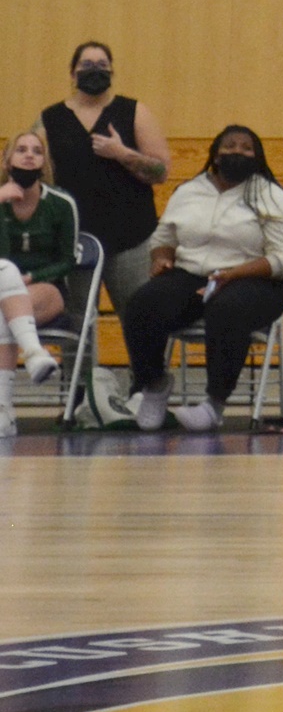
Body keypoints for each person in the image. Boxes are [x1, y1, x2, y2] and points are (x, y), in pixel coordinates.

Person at [118, 126, 283, 433]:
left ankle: (214, 404)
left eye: (246, 148)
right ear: (216, 155)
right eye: (230, 146)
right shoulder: (188, 191)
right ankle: (154, 385)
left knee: (226, 308)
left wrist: (233, 275)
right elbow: (163, 239)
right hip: (192, 274)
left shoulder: (273, 196)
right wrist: (161, 259)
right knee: (142, 304)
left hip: (256, 279)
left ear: (257, 158)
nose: (238, 152)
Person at [38, 41, 170, 307]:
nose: (94, 70)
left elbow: (161, 172)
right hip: (75, 239)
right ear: (72, 73)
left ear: (112, 72)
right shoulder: (50, 118)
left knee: (139, 317)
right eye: (87, 65)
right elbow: (33, 170)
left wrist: (122, 153)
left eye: (102, 65)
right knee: (78, 323)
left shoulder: (134, 111)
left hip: (131, 238)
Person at [0, 129, 76, 434]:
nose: (29, 155)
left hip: (46, 289)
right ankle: (33, 353)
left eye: (37, 151)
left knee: (5, 311)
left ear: (44, 163)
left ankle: (3, 409)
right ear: (7, 161)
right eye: (21, 150)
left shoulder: (60, 203)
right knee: (5, 271)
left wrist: (32, 277)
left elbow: (68, 260)